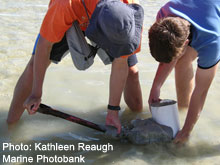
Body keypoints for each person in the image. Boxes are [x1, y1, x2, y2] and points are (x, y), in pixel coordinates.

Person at [7, 0, 144, 134]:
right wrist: (36, 94)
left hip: (104, 18)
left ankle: (136, 123)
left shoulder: (131, 10)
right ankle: (9, 128)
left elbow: (120, 64)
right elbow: (44, 46)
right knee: (34, 67)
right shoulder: (64, 5)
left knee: (132, 72)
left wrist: (112, 111)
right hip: (74, 17)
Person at [148, 0, 220, 144]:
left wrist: (187, 131)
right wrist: (156, 87)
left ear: (186, 42)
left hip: (211, 22)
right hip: (203, 12)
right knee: (182, 61)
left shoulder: (211, 41)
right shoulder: (163, 15)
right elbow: (170, 55)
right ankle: (183, 110)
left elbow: (201, 92)